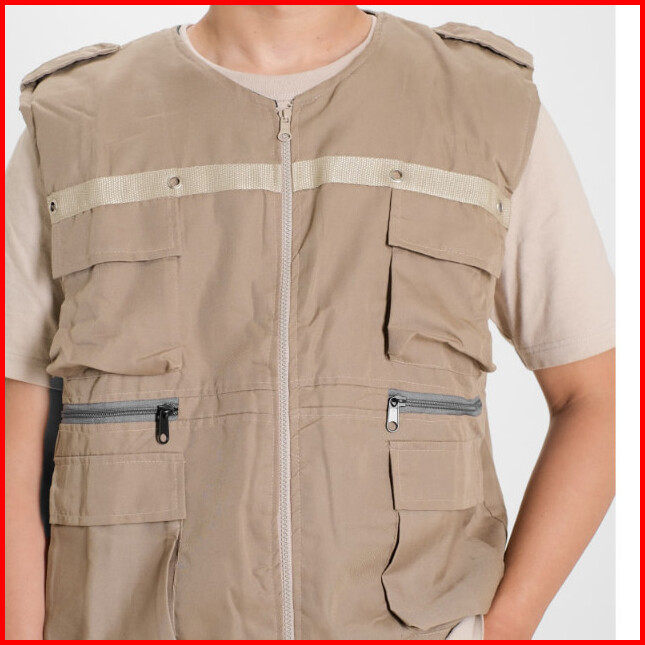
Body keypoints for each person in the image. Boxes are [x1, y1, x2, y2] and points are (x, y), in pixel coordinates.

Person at [5, 5, 615, 641]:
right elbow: (14, 446)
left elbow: (599, 398)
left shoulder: (486, 106)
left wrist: (506, 626)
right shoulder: (75, 121)